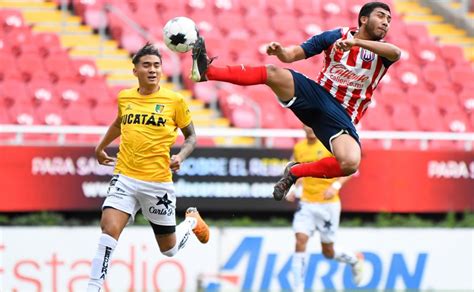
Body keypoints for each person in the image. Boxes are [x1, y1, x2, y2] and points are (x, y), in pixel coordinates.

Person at [190, 1, 400, 201]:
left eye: (389, 19)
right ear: (363, 19)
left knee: (350, 163)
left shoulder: (382, 53)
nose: (385, 22)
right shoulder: (335, 36)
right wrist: (281, 51)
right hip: (317, 95)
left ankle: (296, 171)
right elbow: (292, 55)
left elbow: (396, 52)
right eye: (381, 16)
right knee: (273, 73)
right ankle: (207, 72)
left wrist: (356, 42)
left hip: (342, 115)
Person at [87, 43, 209, 292]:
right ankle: (93, 287)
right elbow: (119, 123)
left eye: (157, 65)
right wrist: (100, 147)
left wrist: (181, 156)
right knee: (108, 228)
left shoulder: (175, 101)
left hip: (157, 182)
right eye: (146, 65)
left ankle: (191, 222)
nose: (152, 70)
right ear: (135, 71)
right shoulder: (125, 97)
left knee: (169, 250)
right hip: (125, 176)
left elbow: (192, 137)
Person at [286, 125, 362, 290]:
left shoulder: (330, 145)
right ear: (302, 126)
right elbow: (296, 172)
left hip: (328, 205)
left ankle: (354, 259)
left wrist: (335, 186)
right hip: (306, 203)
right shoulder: (299, 147)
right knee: (300, 241)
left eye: (312, 123)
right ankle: (298, 288)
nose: (310, 127)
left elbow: (351, 169)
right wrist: (293, 189)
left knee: (328, 252)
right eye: (307, 124)